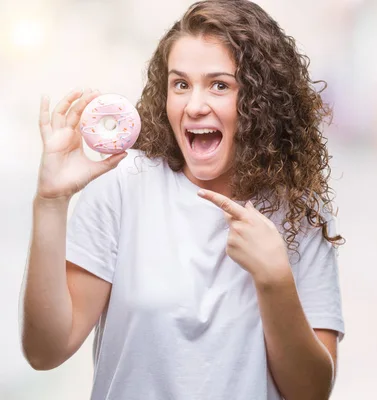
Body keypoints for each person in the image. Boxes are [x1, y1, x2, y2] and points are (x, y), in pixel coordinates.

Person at [19, 1, 345, 399]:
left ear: (263, 100)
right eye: (181, 84)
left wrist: (275, 279)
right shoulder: (123, 183)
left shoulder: (298, 213)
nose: (194, 106)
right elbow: (44, 351)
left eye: (220, 85)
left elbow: (310, 393)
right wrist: (50, 201)